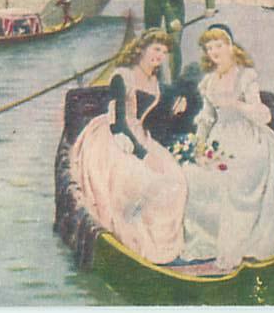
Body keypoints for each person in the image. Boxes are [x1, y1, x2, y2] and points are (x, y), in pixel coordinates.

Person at [179, 24, 274, 270]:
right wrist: (200, 146)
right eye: (209, 48)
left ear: (230, 47)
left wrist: (237, 104)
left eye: (219, 46)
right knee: (195, 177)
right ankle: (212, 241)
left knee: (237, 176)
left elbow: (262, 115)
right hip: (220, 137)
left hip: (247, 137)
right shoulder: (209, 82)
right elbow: (207, 118)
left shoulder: (246, 76)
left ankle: (240, 245)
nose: (215, 52)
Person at [70, 29, 188, 264]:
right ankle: (138, 246)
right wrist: (143, 155)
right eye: (156, 49)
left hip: (140, 135)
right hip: (114, 137)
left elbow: (158, 111)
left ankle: (162, 247)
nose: (159, 56)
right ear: (141, 49)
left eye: (164, 52)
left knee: (176, 180)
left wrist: (178, 102)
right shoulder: (122, 76)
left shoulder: (155, 81)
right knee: (139, 180)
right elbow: (118, 123)